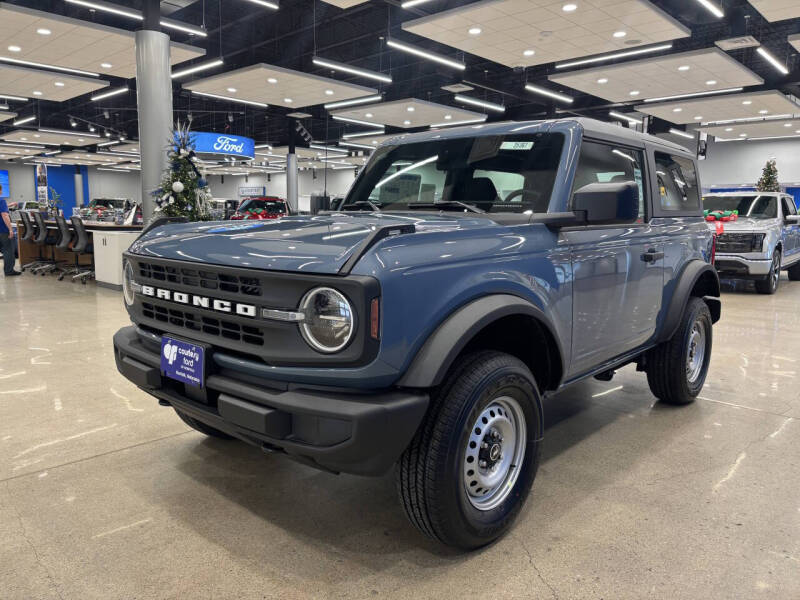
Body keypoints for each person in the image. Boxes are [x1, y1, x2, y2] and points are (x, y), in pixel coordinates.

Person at [0, 184, 21, 276]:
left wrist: (9, 205)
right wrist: (10, 229)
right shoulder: (1, 201)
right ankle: (9, 271)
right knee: (8, 250)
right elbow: (4, 215)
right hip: (3, 230)